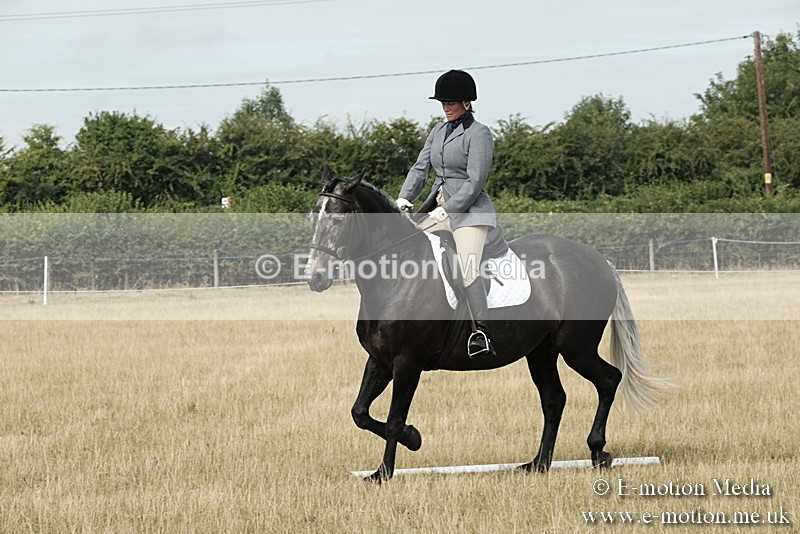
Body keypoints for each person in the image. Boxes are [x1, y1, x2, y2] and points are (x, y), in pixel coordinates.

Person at [396, 69, 501, 359]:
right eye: (442, 102)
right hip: (437, 209)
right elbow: (420, 168)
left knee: (467, 267)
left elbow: (475, 181)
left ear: (467, 102)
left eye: (451, 102)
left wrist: (449, 208)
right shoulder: (438, 131)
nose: (446, 107)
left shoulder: (479, 133)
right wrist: (404, 198)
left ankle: (482, 333)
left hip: (469, 213)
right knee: (406, 248)